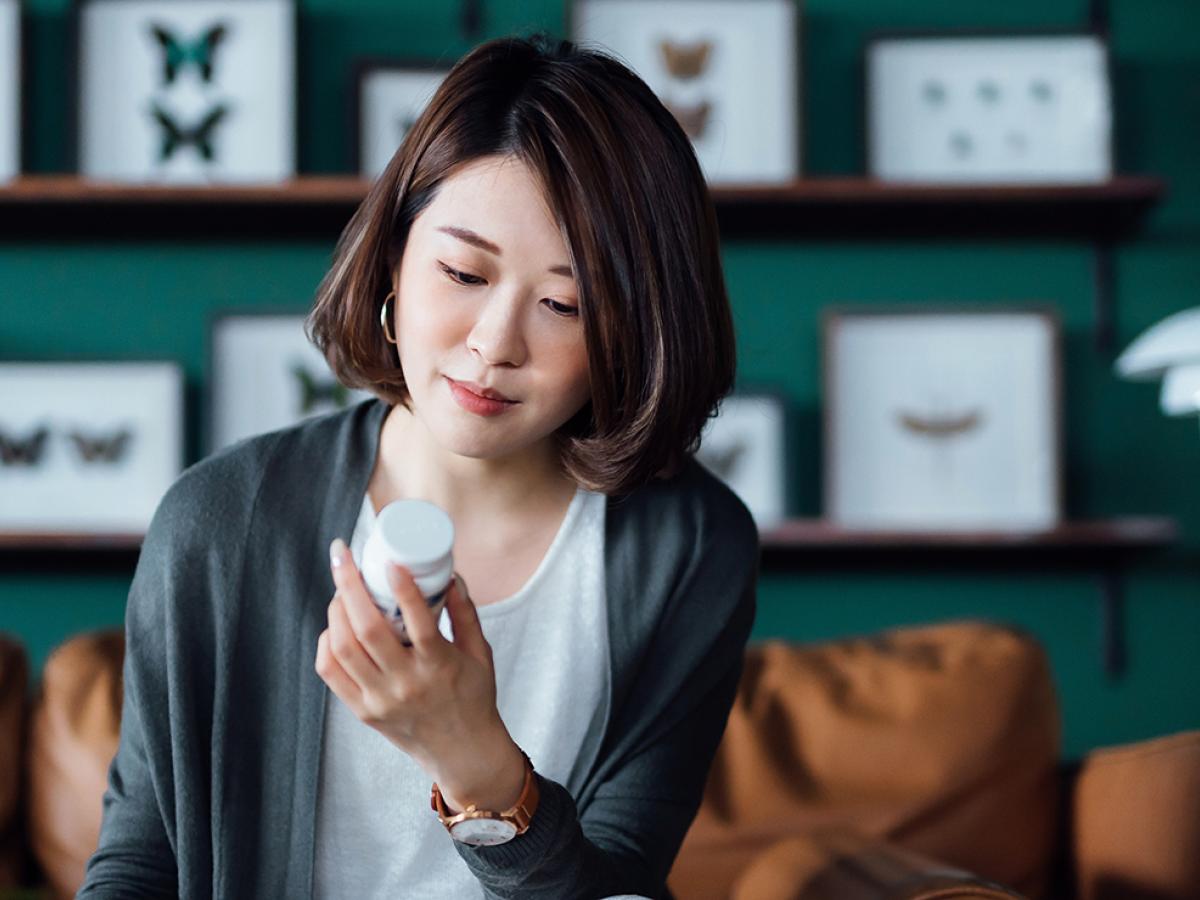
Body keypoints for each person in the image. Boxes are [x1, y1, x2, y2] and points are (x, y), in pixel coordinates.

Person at [79, 31, 758, 900]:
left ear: (634, 331)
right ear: (395, 254)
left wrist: (472, 757)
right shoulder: (220, 521)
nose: (493, 345)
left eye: (562, 303)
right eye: (463, 272)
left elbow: (620, 881)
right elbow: (141, 865)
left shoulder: (687, 546)